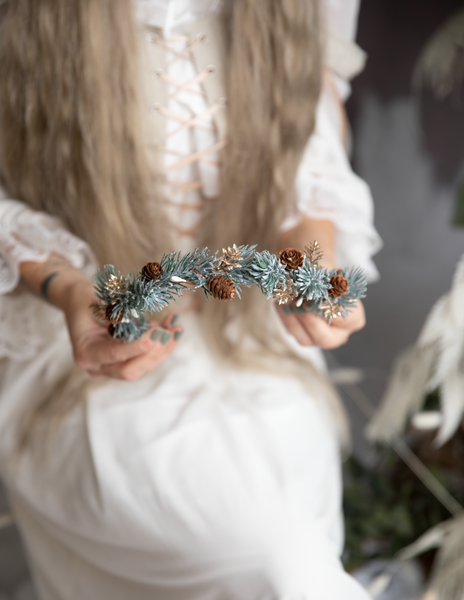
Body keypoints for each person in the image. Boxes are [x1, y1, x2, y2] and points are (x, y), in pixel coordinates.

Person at [0, 1, 382, 598]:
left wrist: (311, 271)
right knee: (263, 553)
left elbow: (308, 176)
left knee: (291, 526)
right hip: (80, 360)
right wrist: (73, 291)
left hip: (255, 340)